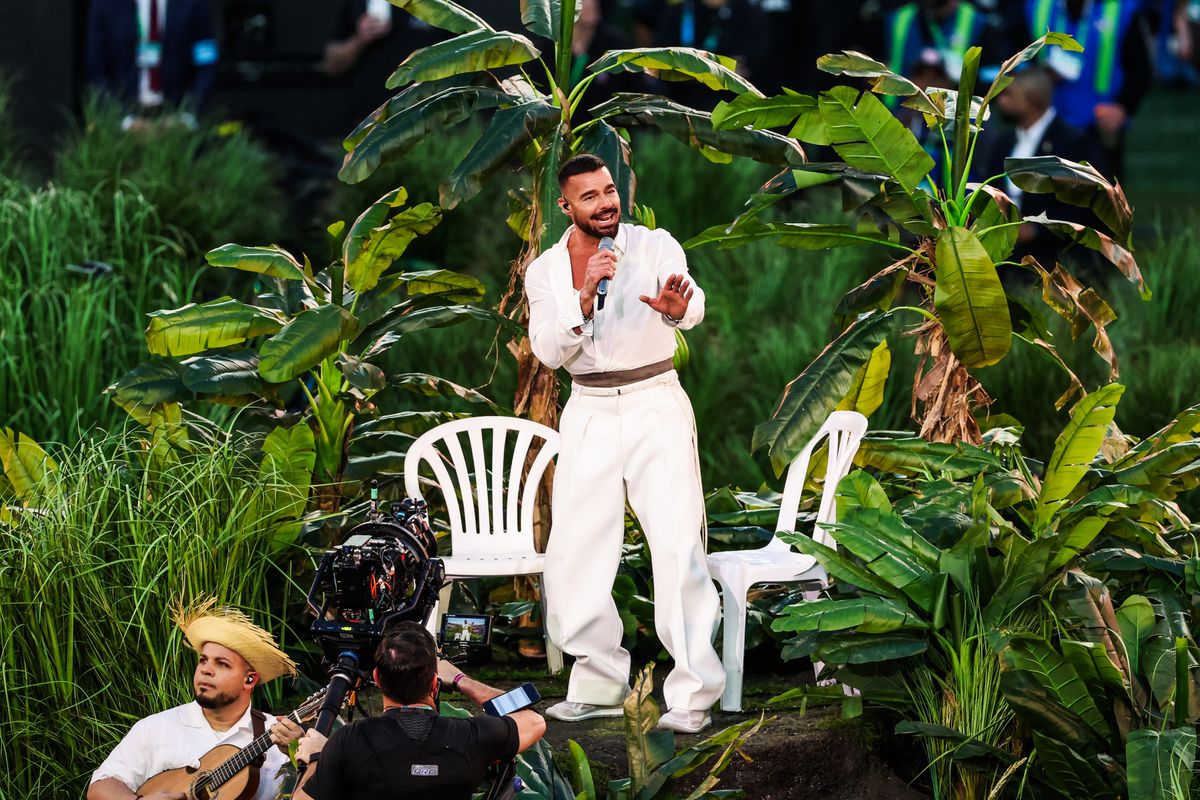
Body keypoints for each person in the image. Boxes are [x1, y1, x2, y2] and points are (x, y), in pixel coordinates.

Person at [526, 154, 725, 734]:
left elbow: (689, 298)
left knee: (677, 546)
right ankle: (598, 683)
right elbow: (545, 349)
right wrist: (583, 296)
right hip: (587, 407)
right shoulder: (546, 270)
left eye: (609, 191)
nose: (605, 203)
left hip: (654, 401)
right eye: (589, 197)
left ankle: (692, 695)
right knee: (577, 550)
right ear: (566, 207)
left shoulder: (654, 242)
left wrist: (682, 311)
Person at [291, 622, 546, 800]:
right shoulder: (472, 737)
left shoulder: (350, 739)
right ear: (435, 683)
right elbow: (533, 721)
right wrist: (460, 680)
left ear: (377, 678)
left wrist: (315, 759)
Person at [88, 600, 304, 800]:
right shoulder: (155, 728)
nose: (205, 670)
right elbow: (100, 786)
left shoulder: (278, 735)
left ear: (249, 680)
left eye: (221, 664)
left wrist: (298, 753)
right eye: (203, 660)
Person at [972, 65, 1109, 274]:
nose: (1000, 100)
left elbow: (1087, 207)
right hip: (1006, 259)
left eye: (1008, 94)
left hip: (1057, 259)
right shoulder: (1004, 143)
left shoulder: (1073, 144)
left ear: (1031, 99)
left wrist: (1036, 230)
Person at [1023, 0, 1153, 178]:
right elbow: (1015, 60)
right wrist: (1039, 73)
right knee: (1044, 199)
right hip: (1047, 123)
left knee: (1102, 198)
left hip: (1099, 126)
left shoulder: (1121, 8)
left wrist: (1123, 108)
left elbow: (1140, 69)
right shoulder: (1037, 6)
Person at [85, 0, 219, 116]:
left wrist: (187, 115)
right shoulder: (105, 4)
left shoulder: (194, 4)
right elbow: (97, 72)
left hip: (178, 117)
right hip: (124, 118)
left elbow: (206, 65)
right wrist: (124, 119)